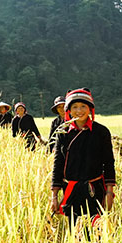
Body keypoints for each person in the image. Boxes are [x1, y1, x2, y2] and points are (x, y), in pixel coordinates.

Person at [50, 88, 116, 227]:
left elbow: (109, 163)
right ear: (69, 110)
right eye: (74, 107)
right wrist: (54, 196)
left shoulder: (101, 132)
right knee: (74, 230)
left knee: (95, 230)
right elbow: (58, 164)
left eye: (83, 106)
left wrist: (109, 192)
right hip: (71, 189)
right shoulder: (63, 133)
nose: (79, 111)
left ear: (90, 108)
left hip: (95, 189)